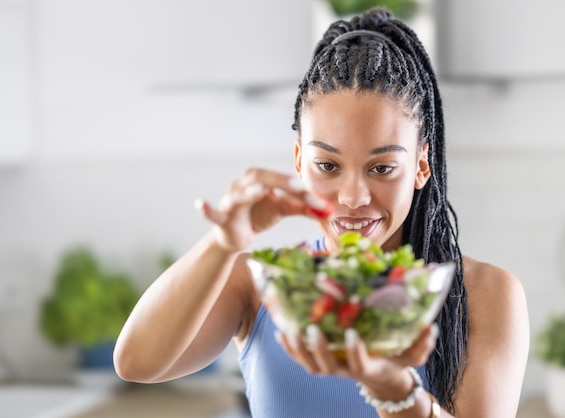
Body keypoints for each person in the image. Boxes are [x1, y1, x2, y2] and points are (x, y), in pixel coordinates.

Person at [113, 7, 529, 418]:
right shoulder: (259, 286)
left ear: (421, 165)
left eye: (382, 168)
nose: (351, 197)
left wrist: (393, 389)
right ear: (298, 161)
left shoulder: (484, 294)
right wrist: (222, 245)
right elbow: (135, 364)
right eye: (327, 166)